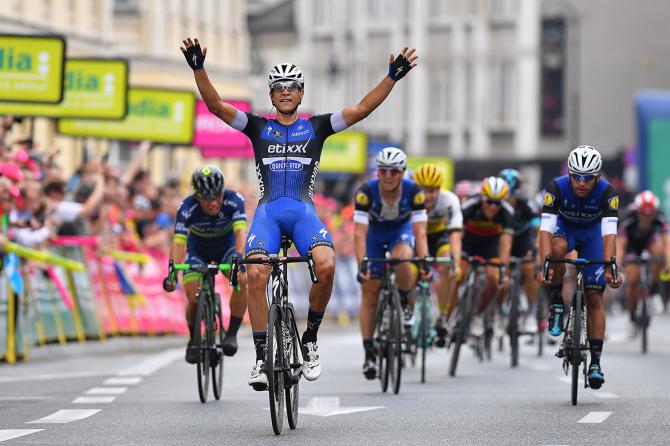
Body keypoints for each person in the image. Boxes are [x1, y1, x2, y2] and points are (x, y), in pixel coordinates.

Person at [180, 37, 419, 389]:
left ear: (302, 93)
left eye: (292, 87)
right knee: (257, 273)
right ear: (272, 95)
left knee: (327, 264)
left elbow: (361, 109)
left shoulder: (318, 126)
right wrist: (199, 68)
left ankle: (309, 340)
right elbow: (215, 106)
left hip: (304, 213)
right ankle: (262, 358)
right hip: (268, 213)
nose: (286, 92)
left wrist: (391, 78)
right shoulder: (257, 127)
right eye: (279, 88)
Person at [538, 145, 622, 389]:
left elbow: (609, 235)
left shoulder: (609, 193)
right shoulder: (555, 187)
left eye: (587, 178)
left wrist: (610, 266)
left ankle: (595, 362)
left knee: (595, 296)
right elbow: (545, 230)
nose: (581, 183)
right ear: (569, 173)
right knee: (554, 252)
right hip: (566, 230)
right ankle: (556, 302)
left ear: (597, 176)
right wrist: (545, 265)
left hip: (594, 235)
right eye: (576, 176)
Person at [354, 147, 430, 379]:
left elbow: (420, 232)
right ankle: (369, 352)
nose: (388, 176)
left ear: (402, 173)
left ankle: (407, 303)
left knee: (403, 258)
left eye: (394, 172)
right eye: (383, 171)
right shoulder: (365, 193)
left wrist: (424, 262)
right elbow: (359, 234)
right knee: (369, 292)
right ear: (377, 172)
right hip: (374, 235)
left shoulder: (415, 191)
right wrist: (362, 266)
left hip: (400, 231)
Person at [163, 166, 248, 364]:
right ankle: (194, 339)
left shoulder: (234, 200)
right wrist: (172, 272)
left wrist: (238, 256)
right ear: (197, 196)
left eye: (216, 196)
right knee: (193, 295)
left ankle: (232, 334)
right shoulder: (186, 207)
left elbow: (241, 233)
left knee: (242, 280)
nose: (213, 202)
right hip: (198, 250)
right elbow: (178, 243)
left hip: (226, 248)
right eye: (207, 198)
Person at [454, 177, 514, 335]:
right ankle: (450, 314)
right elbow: (457, 235)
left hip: (490, 246)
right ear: (481, 197)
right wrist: (456, 258)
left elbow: (506, 244)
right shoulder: (468, 207)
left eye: (497, 203)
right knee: (457, 275)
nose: (493, 207)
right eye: (489, 202)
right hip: (468, 244)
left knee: (494, 279)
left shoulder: (507, 212)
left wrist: (503, 270)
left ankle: (478, 315)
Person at [412, 164, 462, 347]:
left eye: (432, 191)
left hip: (438, 238)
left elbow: (455, 237)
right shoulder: (409, 198)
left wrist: (455, 264)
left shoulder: (449, 200)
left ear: (440, 189)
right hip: (415, 236)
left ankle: (441, 316)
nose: (427, 196)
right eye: (423, 190)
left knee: (449, 264)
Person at [617, 190, 670, 337]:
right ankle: (632, 316)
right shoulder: (628, 218)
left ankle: (653, 290)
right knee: (633, 279)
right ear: (637, 210)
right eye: (643, 214)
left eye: (650, 214)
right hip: (631, 245)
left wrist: (668, 262)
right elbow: (620, 245)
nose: (647, 218)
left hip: (649, 242)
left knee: (659, 252)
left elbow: (667, 243)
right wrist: (618, 263)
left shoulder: (660, 217)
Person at [498, 168, 541, 334]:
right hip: (503, 241)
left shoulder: (526, 204)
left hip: (523, 241)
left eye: (512, 196)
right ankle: (500, 311)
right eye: (505, 196)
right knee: (500, 272)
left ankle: (531, 312)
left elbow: (538, 229)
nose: (508, 200)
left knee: (530, 269)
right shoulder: (497, 205)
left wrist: (537, 248)